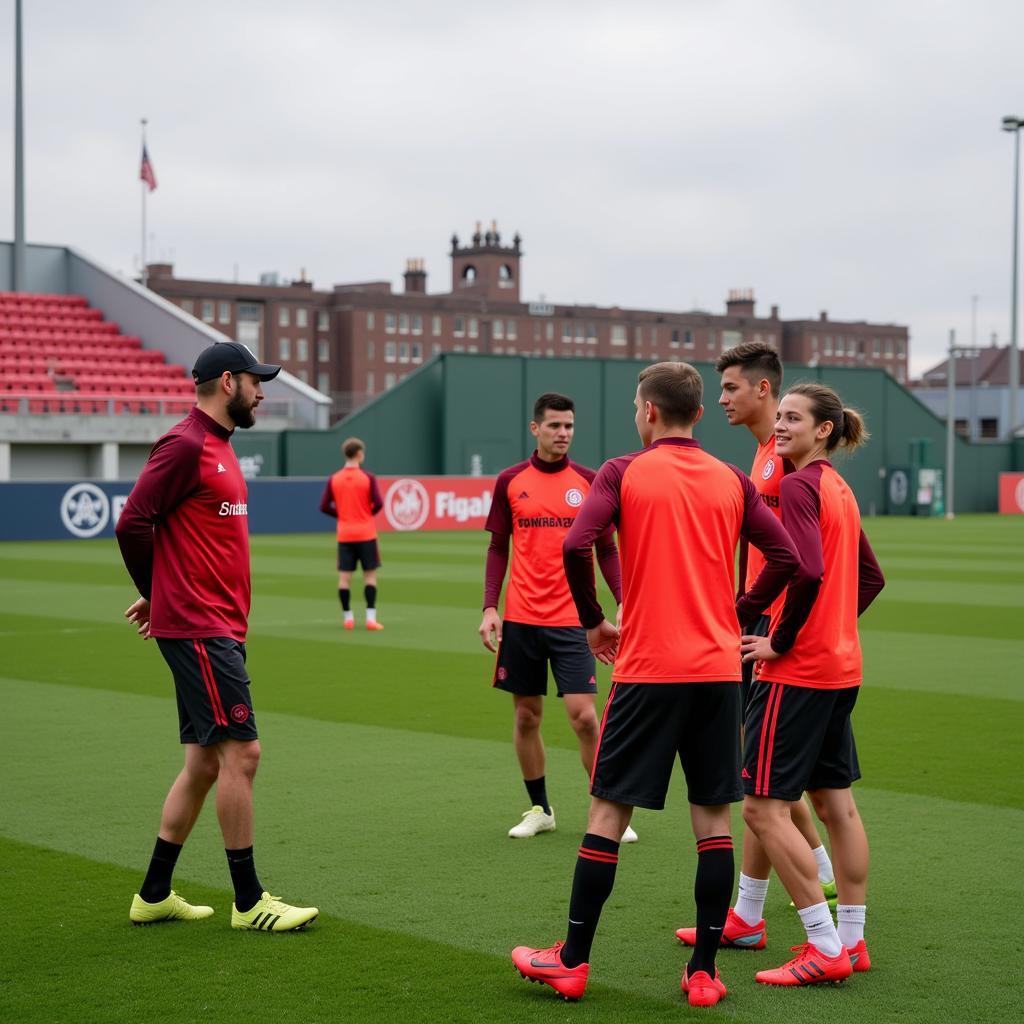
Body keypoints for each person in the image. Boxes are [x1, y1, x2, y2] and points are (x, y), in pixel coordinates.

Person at [511, 362, 800, 1007]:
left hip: (646, 670)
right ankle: (703, 973)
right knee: (714, 823)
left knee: (608, 812)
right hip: (718, 673)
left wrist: (591, 624)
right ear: (698, 414)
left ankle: (573, 959)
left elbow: (575, 545)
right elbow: (788, 559)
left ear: (646, 411)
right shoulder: (730, 478)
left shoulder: (620, 471)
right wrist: (739, 613)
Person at [115, 341, 318, 932]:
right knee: (242, 754)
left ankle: (153, 893)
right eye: (257, 381)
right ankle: (250, 901)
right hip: (201, 626)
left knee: (204, 762)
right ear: (227, 382)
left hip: (217, 625)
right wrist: (159, 593)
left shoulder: (222, 448)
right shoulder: (185, 444)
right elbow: (133, 520)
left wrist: (165, 594)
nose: (263, 391)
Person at [676, 342, 836, 954]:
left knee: (764, 786)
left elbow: (801, 561)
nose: (721, 399)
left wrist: (755, 618)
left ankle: (820, 905)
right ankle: (753, 909)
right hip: (768, 634)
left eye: (731, 389)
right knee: (764, 781)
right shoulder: (771, 456)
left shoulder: (782, 463)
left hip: (767, 639)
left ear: (763, 391)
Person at [738, 382, 884, 986]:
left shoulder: (797, 484)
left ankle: (822, 947)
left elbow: (806, 567)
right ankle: (852, 941)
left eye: (793, 418)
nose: (781, 426)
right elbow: (870, 578)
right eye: (782, 417)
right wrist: (831, 630)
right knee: (835, 804)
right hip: (841, 667)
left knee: (761, 808)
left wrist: (779, 637)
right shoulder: (838, 488)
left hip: (796, 672)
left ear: (824, 429)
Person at [479, 392, 634, 842]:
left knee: (584, 717)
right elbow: (497, 548)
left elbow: (606, 547)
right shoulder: (511, 481)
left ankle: (607, 807)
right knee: (527, 716)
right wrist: (490, 606)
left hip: (574, 620)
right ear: (535, 429)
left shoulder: (589, 480)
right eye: (553, 426)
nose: (562, 433)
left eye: (568, 426)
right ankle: (539, 808)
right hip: (523, 619)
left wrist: (623, 598)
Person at [319, 437, 384, 630]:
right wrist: (366, 514)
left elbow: (323, 506)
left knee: (344, 578)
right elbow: (379, 503)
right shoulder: (368, 477)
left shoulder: (335, 478)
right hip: (366, 533)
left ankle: (348, 618)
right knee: (370, 576)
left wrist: (341, 515)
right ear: (359, 454)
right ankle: (371, 619)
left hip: (345, 534)